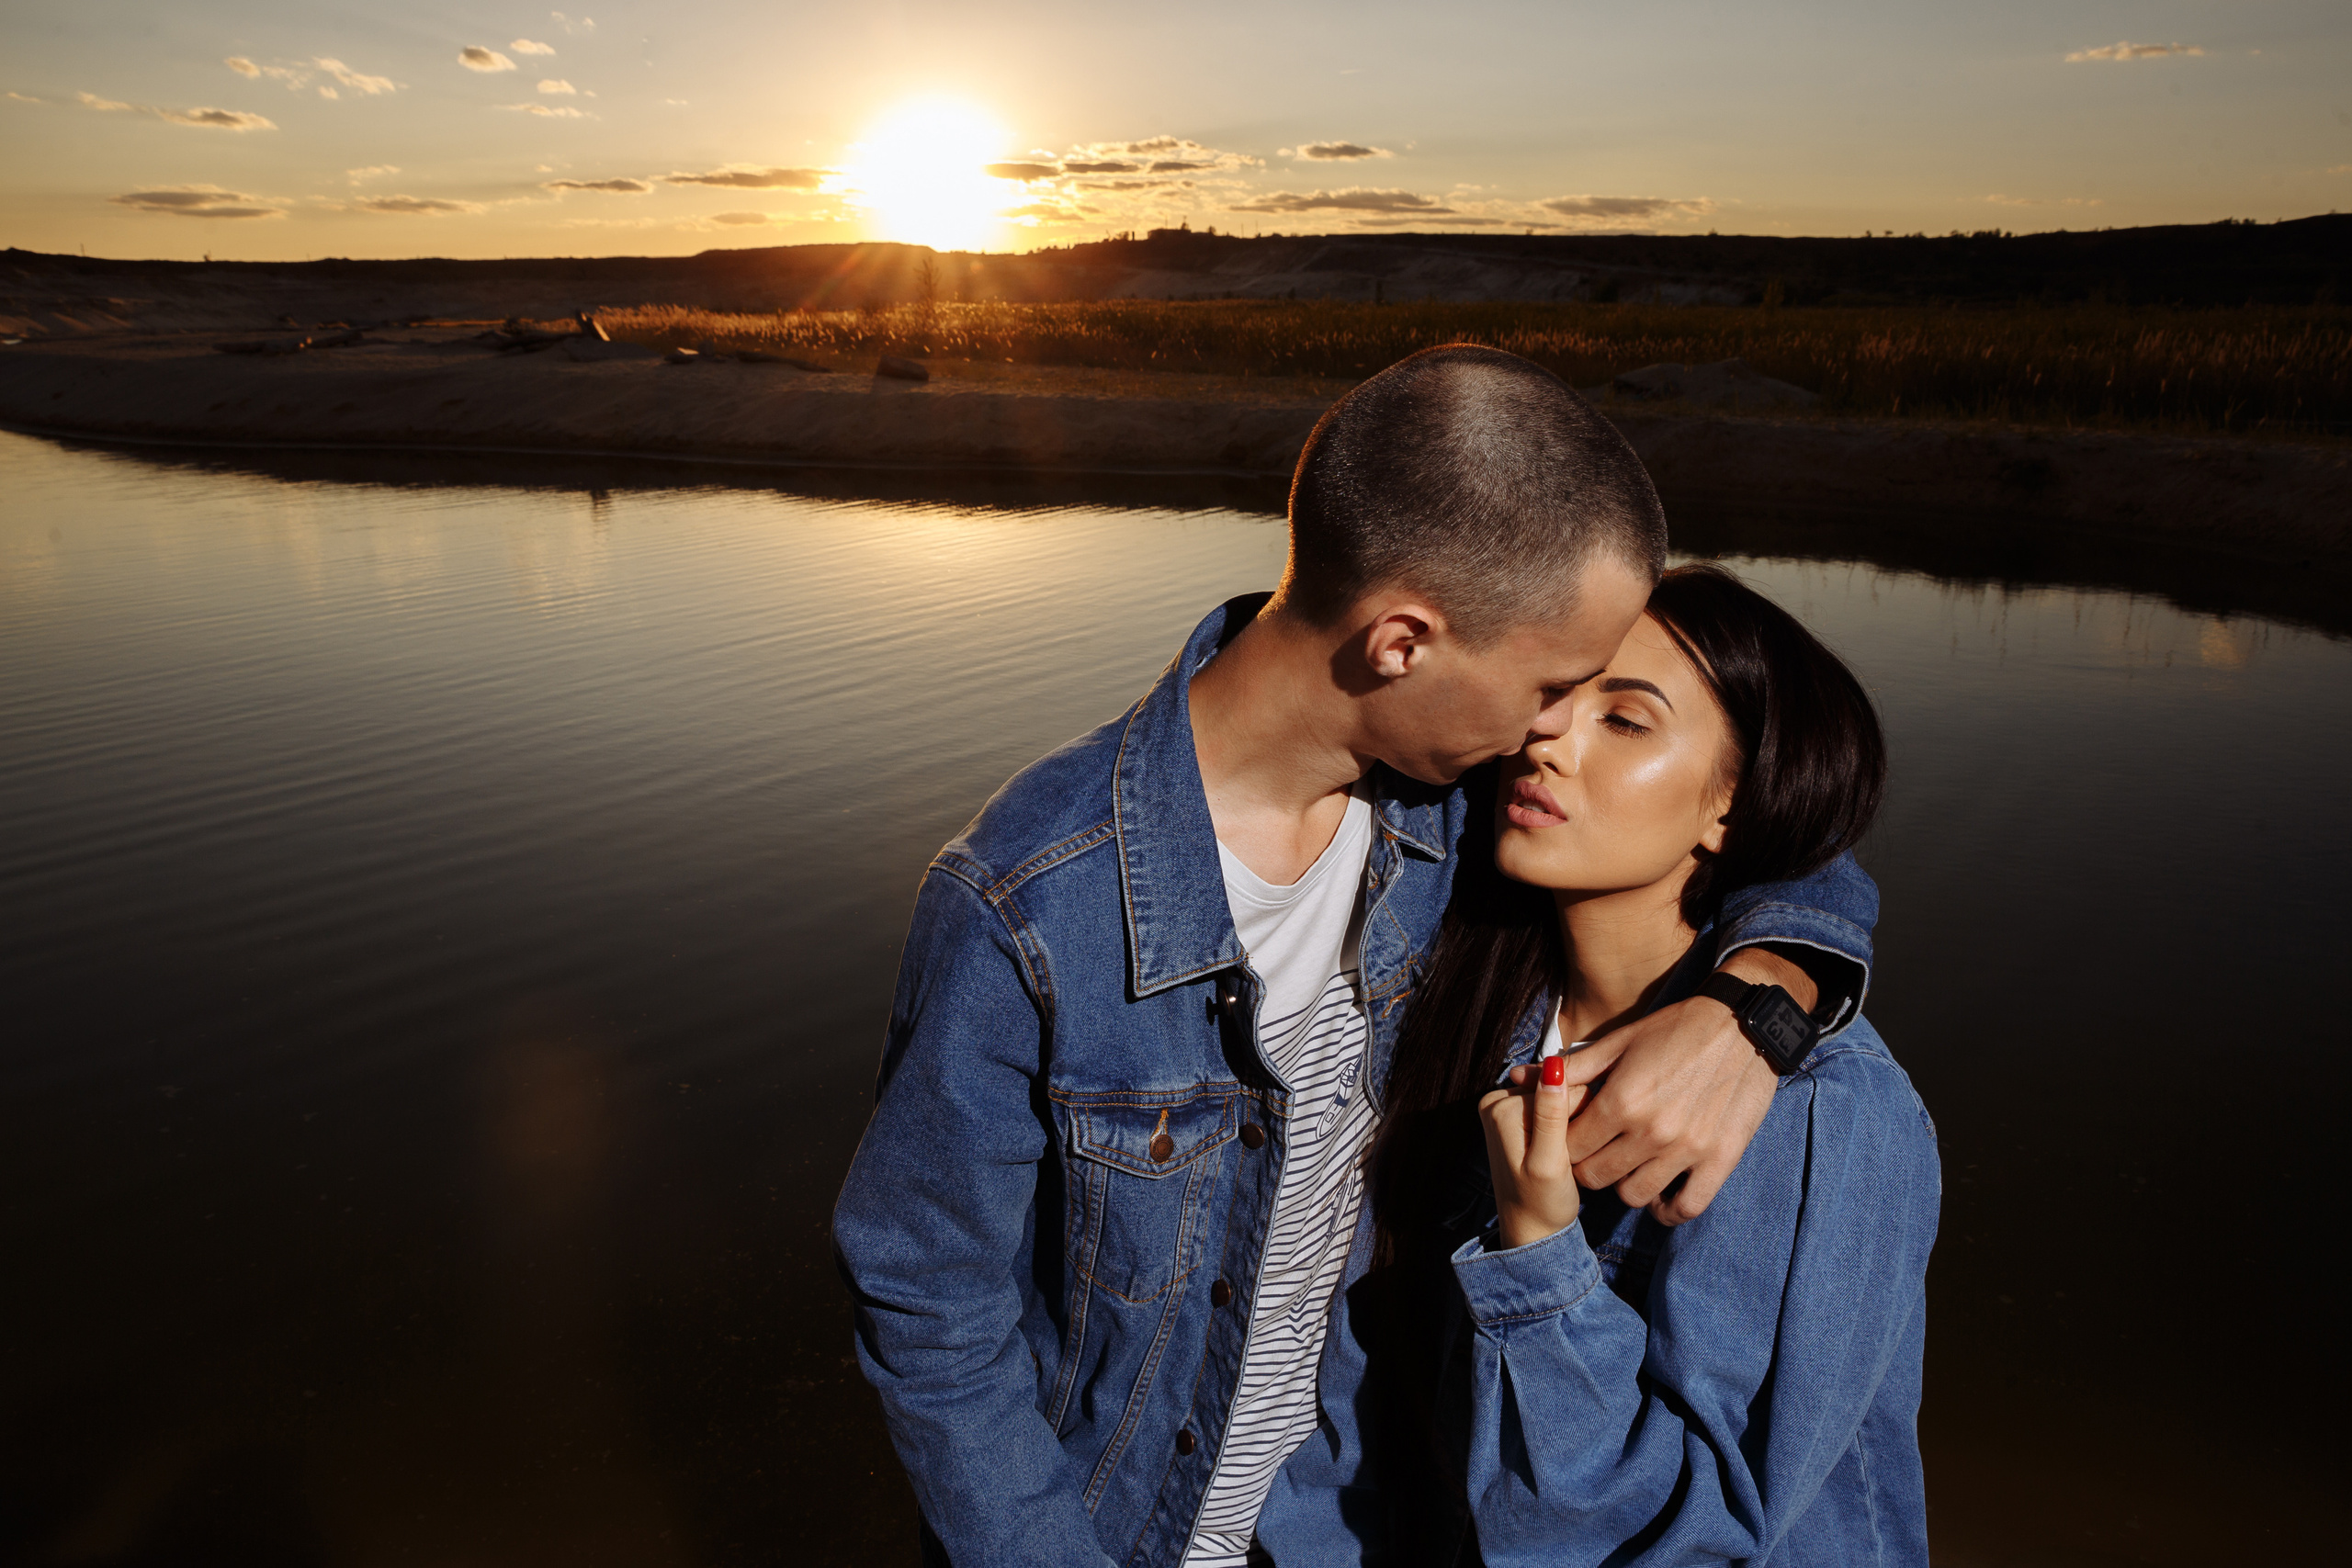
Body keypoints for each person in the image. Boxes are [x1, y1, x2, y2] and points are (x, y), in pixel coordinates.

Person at [831, 346, 1883, 1568]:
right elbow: (928, 1302)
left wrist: (1761, 1002)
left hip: (1342, 1524)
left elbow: (1783, 817)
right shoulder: (1027, 905)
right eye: (1550, 681)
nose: (1549, 732)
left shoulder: (1440, 812)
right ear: (1401, 642)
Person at [1372, 564, 1939, 1566]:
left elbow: (1703, 1540)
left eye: (1624, 720)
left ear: (1731, 807)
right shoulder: (1459, 986)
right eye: (1554, 696)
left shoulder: (1818, 1116)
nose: (1546, 736)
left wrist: (1540, 1258)